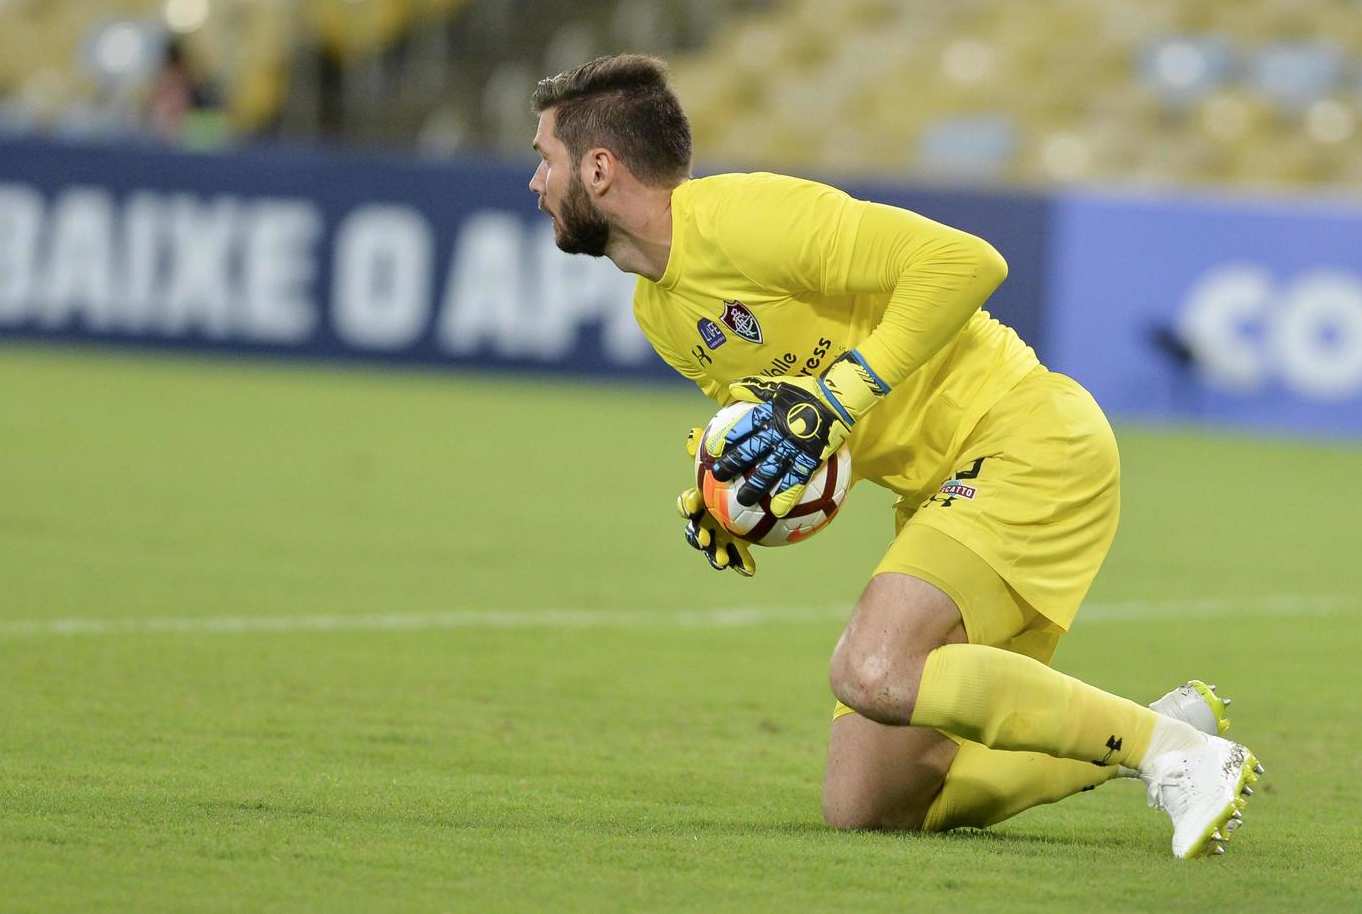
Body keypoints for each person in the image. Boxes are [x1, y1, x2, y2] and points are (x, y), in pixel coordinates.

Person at [526, 54, 1261, 859]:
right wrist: (726, 494)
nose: (536, 182)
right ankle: (1156, 731)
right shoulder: (657, 309)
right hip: (941, 488)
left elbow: (968, 264)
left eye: (545, 159)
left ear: (598, 169)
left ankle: (1178, 758)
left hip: (1023, 437)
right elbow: (787, 425)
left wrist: (840, 395)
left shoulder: (744, 219)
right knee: (869, 804)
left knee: (870, 667)